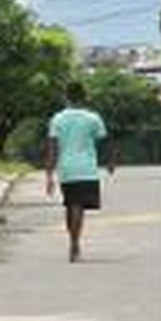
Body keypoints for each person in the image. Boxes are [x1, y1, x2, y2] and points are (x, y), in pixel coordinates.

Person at [44, 83, 107, 262]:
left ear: (66, 97)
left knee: (71, 205)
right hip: (87, 169)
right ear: (84, 96)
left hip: (66, 169)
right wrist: (109, 162)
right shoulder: (93, 118)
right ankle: (75, 243)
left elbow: (52, 149)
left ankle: (73, 241)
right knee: (79, 207)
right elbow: (103, 142)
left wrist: (49, 175)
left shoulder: (57, 119)